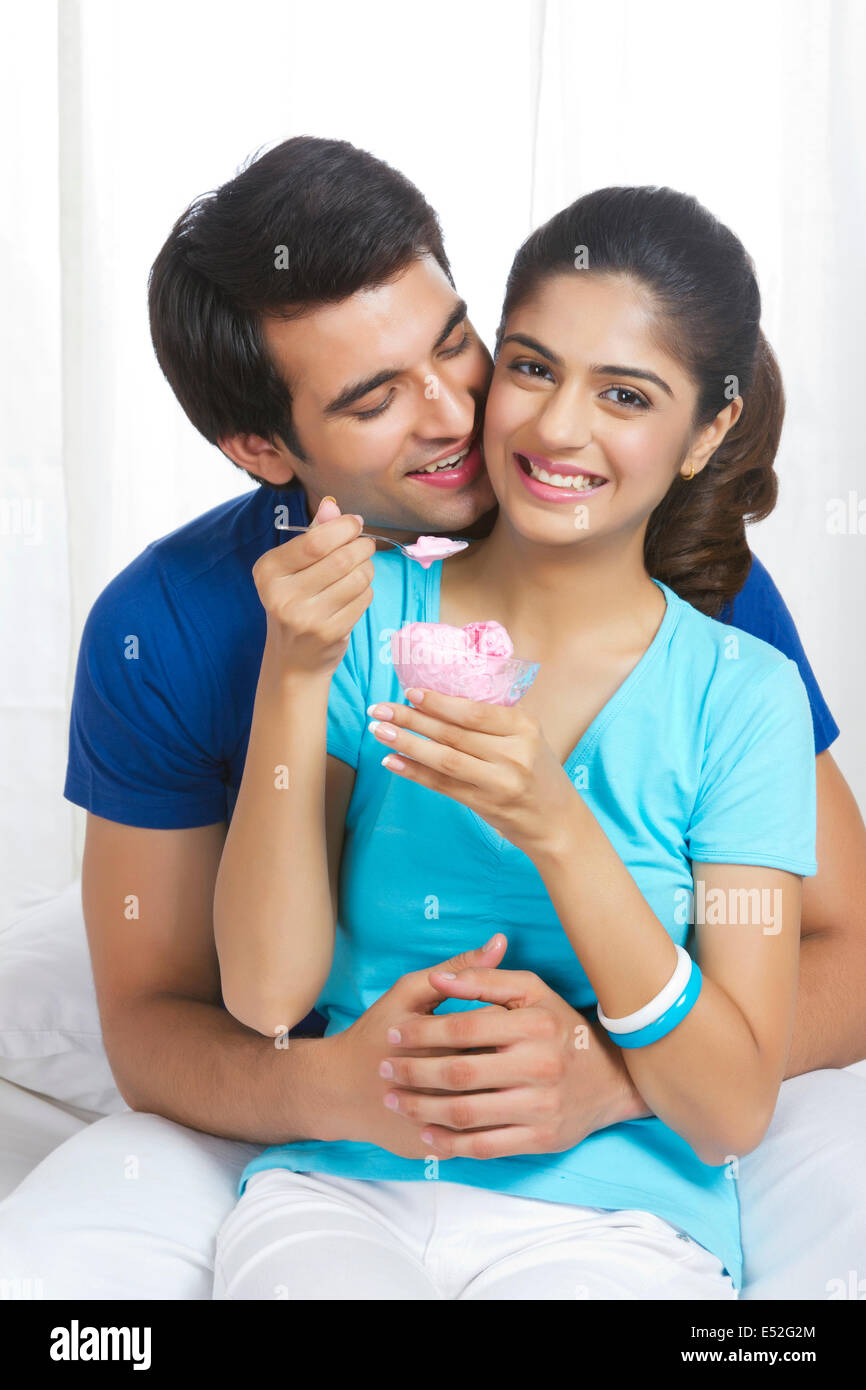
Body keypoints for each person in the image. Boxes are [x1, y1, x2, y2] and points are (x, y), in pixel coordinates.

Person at [0, 140, 863, 1301]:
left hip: (609, 1190)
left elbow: (836, 954)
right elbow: (175, 1011)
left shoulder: (701, 603)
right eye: (371, 396)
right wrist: (343, 1089)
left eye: (457, 346)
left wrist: (608, 1073)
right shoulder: (190, 623)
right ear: (263, 451)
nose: (470, 415)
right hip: (337, 1151)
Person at [209, 184, 820, 1299]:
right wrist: (292, 673)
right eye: (532, 367)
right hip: (345, 1190)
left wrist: (556, 828)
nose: (555, 427)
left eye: (625, 394)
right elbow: (263, 992)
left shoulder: (742, 697)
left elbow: (731, 1103)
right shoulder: (364, 621)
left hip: (620, 1221)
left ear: (707, 431)